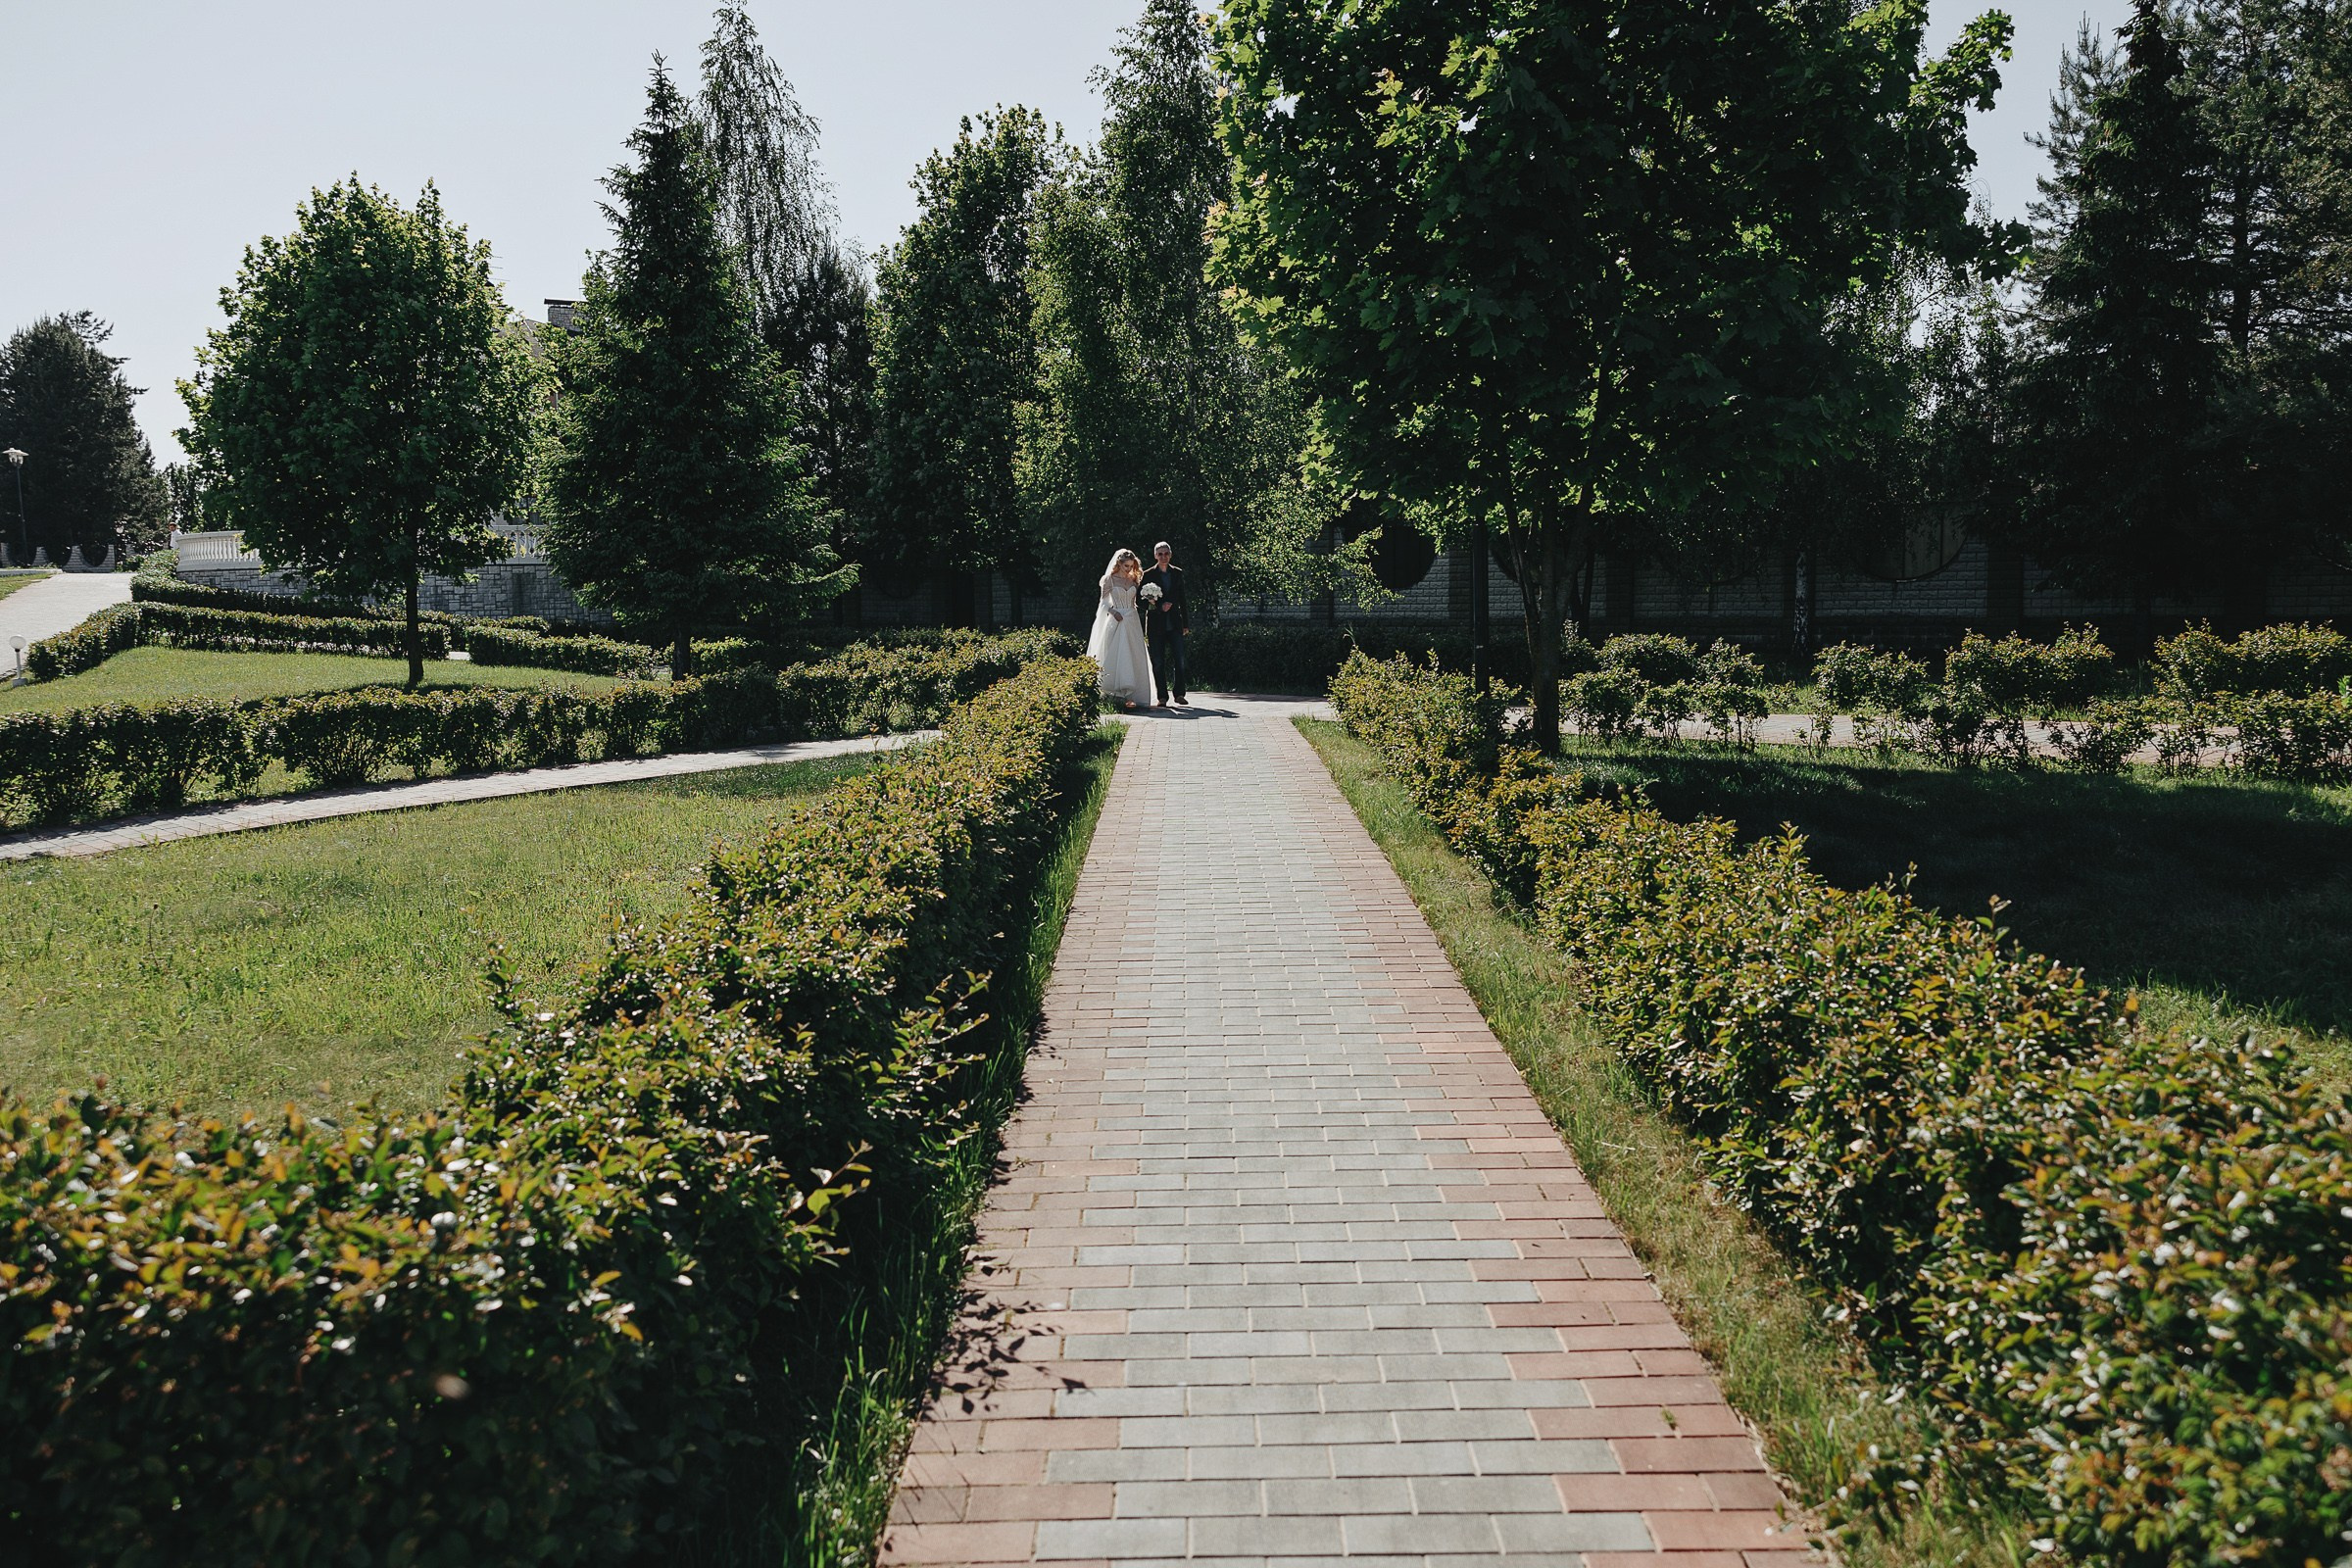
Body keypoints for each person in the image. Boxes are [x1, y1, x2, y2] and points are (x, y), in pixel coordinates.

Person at [1086, 548, 1151, 709]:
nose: (1129, 569)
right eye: (1126, 566)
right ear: (1119, 564)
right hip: (1117, 618)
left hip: (1132, 619)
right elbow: (1103, 603)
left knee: (1134, 653)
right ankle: (1116, 693)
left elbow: (1135, 602)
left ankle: (1133, 694)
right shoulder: (1110, 579)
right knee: (1117, 653)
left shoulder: (1134, 579)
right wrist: (1114, 612)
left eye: (1131, 566)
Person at [1140, 540, 1188, 707]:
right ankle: (1162, 697)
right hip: (1155, 625)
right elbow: (1140, 602)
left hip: (1175, 624)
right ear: (1155, 556)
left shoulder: (1177, 573)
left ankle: (1179, 694)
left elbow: (1182, 599)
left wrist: (1185, 624)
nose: (1163, 557)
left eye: (1166, 553)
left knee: (1180, 660)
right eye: (1160, 554)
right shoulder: (1147, 575)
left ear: (1170, 555)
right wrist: (1157, 604)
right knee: (1158, 662)